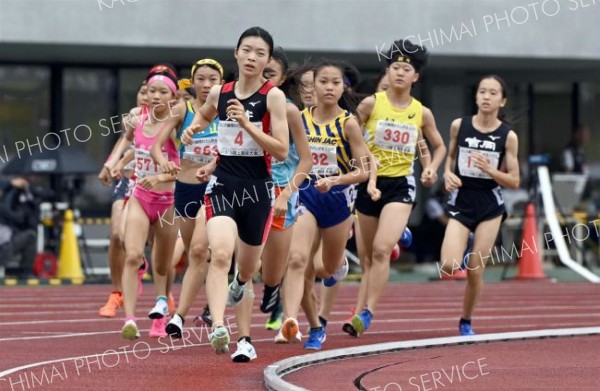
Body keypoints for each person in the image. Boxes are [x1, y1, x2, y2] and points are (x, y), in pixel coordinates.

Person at [179, 26, 289, 361]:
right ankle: (219, 328)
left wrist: (247, 124)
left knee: (246, 268)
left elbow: (282, 150)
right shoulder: (219, 93)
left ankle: (240, 287)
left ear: (267, 59)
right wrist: (194, 127)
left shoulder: (273, 97)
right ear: (236, 53)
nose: (252, 57)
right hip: (223, 185)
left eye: (260, 53)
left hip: (257, 190)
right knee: (220, 253)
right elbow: (204, 113)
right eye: (247, 50)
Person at [345, 39, 447, 338]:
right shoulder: (370, 104)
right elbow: (349, 134)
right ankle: (358, 311)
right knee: (366, 259)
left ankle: (367, 311)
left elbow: (438, 146)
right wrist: (359, 160)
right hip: (368, 185)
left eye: (407, 69)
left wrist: (430, 168)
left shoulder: (420, 112)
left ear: (416, 76)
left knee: (380, 250)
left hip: (400, 186)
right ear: (387, 72)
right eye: (395, 68)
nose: (400, 73)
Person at [280, 60, 370, 350]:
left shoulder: (349, 123)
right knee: (297, 260)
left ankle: (340, 263)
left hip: (337, 199)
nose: (329, 88)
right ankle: (296, 322)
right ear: (313, 86)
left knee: (325, 269)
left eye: (335, 82)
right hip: (305, 194)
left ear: (343, 87)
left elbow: (363, 171)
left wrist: (336, 181)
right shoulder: (298, 119)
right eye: (323, 82)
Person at [440, 75, 520, 335]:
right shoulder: (458, 126)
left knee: (475, 271)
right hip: (462, 200)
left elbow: (514, 181)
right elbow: (450, 157)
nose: (486, 96)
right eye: (482, 91)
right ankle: (464, 248)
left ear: (502, 100)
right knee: (450, 266)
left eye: (493, 93)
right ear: (476, 96)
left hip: (489, 206)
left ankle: (466, 321)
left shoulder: (507, 137)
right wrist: (447, 174)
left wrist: (490, 170)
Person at [155, 58, 225, 338]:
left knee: (199, 249)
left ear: (221, 82)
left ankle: (183, 315)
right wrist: (164, 162)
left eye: (212, 79)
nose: (207, 85)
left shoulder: (228, 110)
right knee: (196, 252)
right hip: (186, 186)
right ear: (192, 83)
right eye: (201, 79)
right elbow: (157, 146)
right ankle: (212, 298)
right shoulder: (183, 109)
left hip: (216, 186)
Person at [118, 66, 182, 340]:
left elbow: (182, 168)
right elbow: (134, 145)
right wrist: (117, 164)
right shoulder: (136, 118)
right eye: (151, 90)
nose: (155, 96)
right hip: (140, 197)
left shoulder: (178, 126)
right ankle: (129, 319)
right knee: (132, 254)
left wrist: (158, 177)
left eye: (162, 92)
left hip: (168, 199)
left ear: (173, 96)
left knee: (163, 264)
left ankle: (160, 309)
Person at [97, 81, 148, 318]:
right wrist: (110, 164)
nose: (148, 96)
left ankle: (163, 292)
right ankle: (116, 293)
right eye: (144, 91)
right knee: (117, 235)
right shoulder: (133, 117)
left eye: (157, 91)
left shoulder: (172, 117)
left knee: (158, 245)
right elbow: (125, 143)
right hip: (128, 183)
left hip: (156, 186)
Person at [0, 177, 37, 279]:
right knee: (30, 236)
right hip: (3, 251)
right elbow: (18, 218)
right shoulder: (2, 208)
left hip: (5, 246)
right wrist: (26, 205)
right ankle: (25, 273)